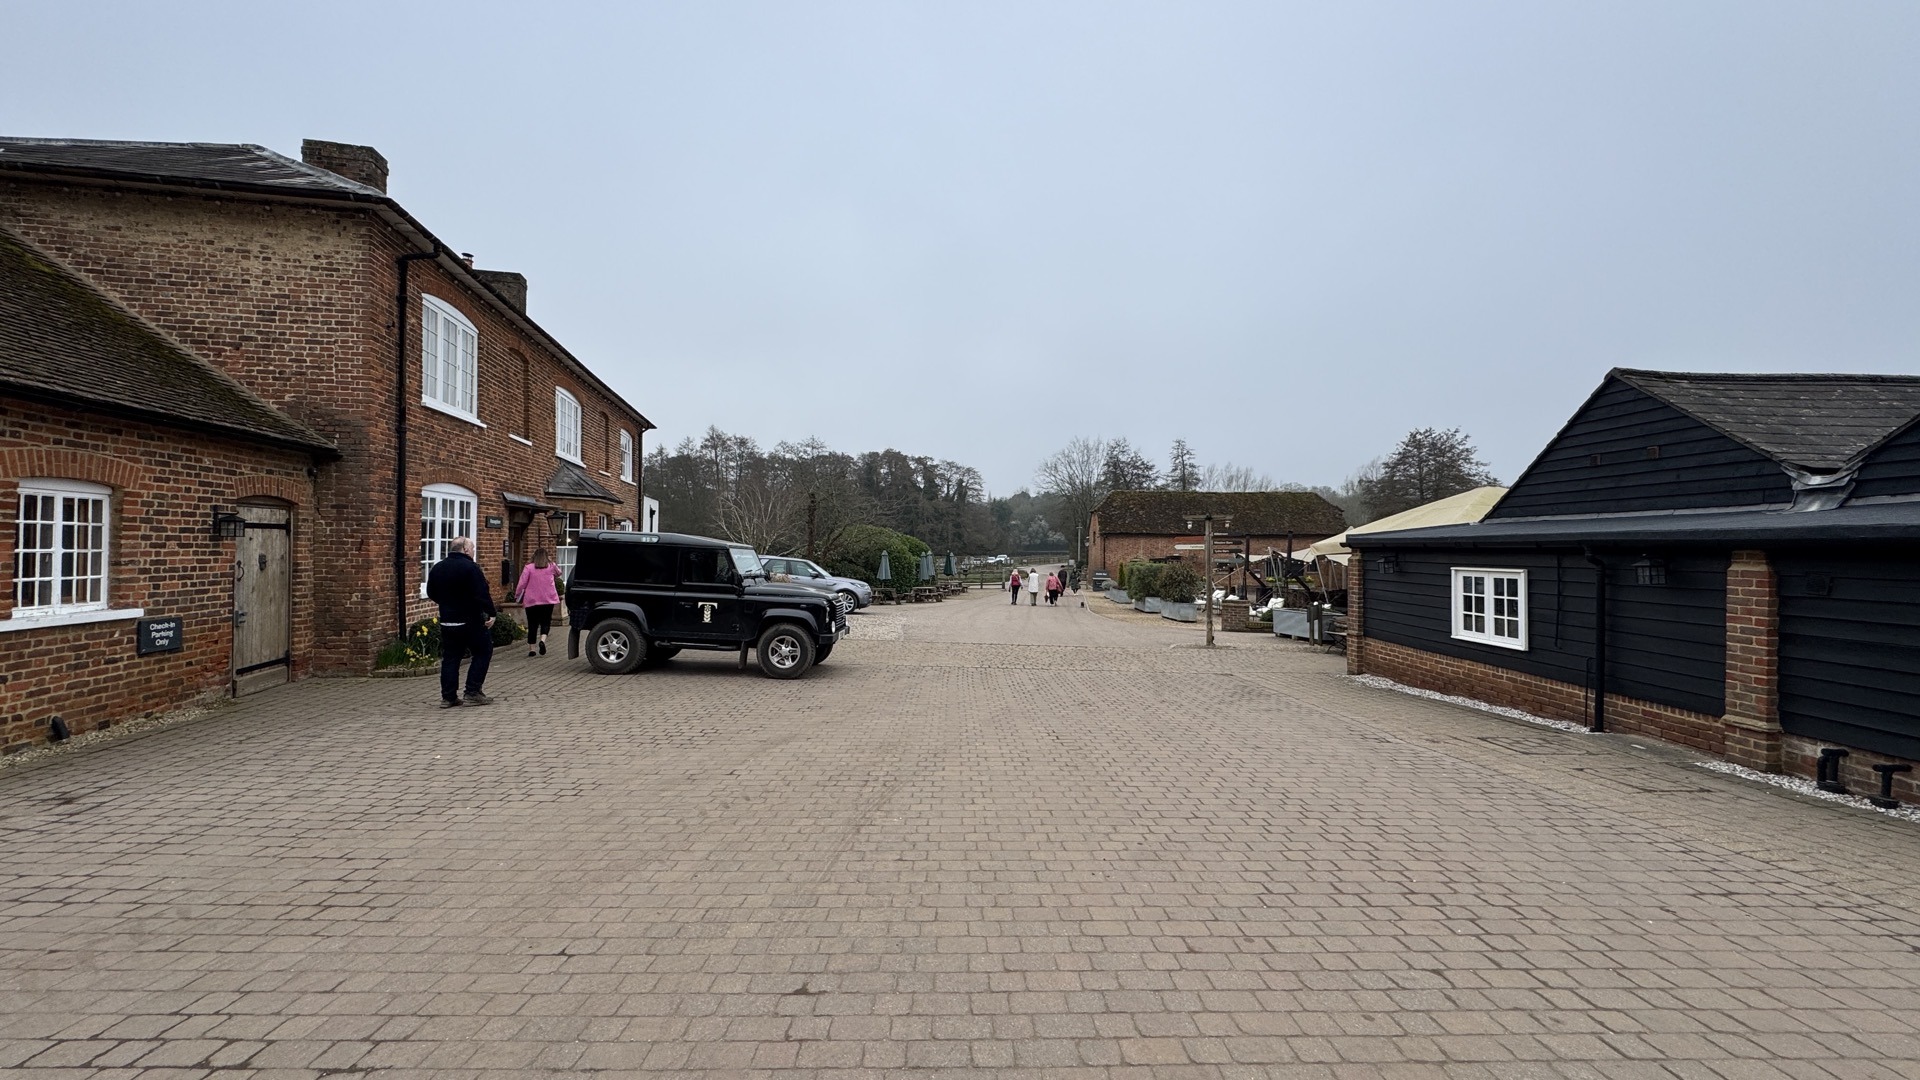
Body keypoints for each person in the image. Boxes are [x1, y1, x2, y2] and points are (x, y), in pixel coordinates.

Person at [426, 535, 496, 707]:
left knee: (450, 657)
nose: (473, 552)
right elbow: (482, 593)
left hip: (447, 620)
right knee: (483, 651)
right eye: (472, 549)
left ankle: (448, 697)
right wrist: (491, 613)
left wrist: (447, 604)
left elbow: (431, 592)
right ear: (465, 550)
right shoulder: (471, 568)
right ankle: (472, 691)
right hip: (470, 620)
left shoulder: (438, 568)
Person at [515, 548, 562, 658]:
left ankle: (532, 649)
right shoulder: (551, 566)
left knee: (532, 624)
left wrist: (517, 595)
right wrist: (551, 563)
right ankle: (542, 640)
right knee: (546, 621)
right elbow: (559, 573)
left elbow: (522, 583)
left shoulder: (529, 567)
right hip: (548, 599)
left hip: (531, 600)